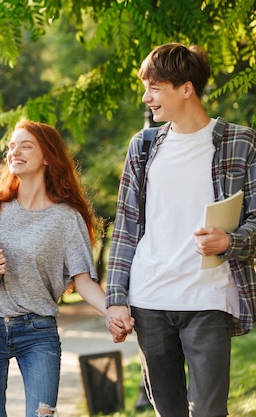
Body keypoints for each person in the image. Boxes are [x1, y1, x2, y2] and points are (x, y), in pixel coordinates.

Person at [106, 42, 256, 416]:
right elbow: (125, 228)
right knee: (168, 411)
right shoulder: (143, 147)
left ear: (186, 88)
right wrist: (116, 298)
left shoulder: (240, 142)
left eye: (154, 88)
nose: (146, 98)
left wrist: (230, 241)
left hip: (208, 299)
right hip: (150, 299)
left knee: (209, 410)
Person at [0, 120, 123, 417]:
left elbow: (84, 282)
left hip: (37, 331)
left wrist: (113, 310)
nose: (15, 152)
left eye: (26, 146)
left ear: (48, 157)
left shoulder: (66, 218)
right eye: (11, 146)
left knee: (42, 414)